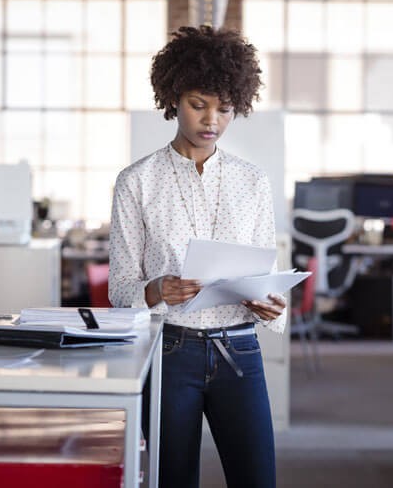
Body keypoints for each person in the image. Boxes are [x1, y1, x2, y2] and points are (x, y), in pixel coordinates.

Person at [108, 25, 285, 488]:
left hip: (240, 349)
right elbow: (121, 287)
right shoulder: (137, 181)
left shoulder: (253, 181)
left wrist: (269, 302)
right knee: (171, 479)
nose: (211, 120)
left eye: (224, 109)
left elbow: (266, 272)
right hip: (170, 350)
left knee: (257, 478)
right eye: (198, 104)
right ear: (173, 99)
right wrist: (155, 289)